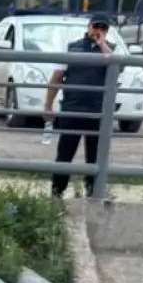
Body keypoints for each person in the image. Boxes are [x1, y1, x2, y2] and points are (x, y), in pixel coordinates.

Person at [45, 14, 116, 198]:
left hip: (97, 112)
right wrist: (48, 105)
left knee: (95, 157)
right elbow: (57, 77)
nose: (98, 30)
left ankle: (93, 191)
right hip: (72, 109)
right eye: (95, 26)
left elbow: (115, 65)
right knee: (64, 155)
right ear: (89, 26)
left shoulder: (109, 50)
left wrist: (102, 45)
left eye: (103, 28)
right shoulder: (72, 47)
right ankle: (57, 191)